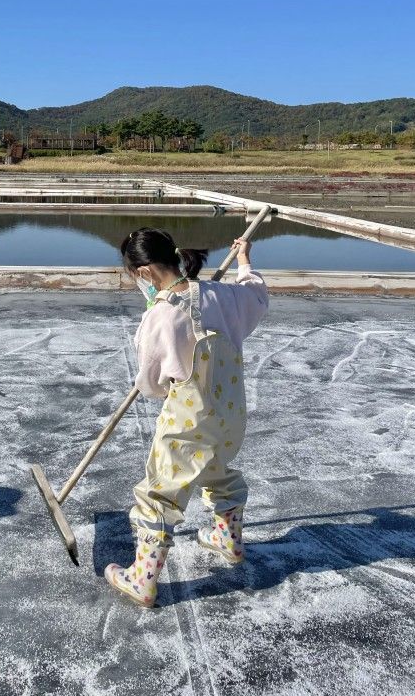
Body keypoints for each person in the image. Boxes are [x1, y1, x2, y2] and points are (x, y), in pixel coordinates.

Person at [105, 226, 269, 608]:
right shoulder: (223, 294)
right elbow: (256, 296)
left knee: (161, 489)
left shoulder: (160, 316)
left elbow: (150, 383)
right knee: (215, 468)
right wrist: (245, 260)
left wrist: (165, 383)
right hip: (229, 412)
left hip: (187, 419)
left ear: (144, 272)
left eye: (135, 277)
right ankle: (227, 540)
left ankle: (142, 581)